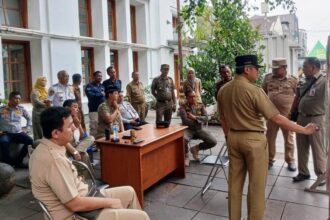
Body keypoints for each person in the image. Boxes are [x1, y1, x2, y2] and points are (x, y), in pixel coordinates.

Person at [218, 54, 319, 220]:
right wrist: (304, 130)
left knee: (234, 187)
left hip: (233, 138)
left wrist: (229, 136)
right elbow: (277, 118)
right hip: (254, 142)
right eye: (256, 69)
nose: (258, 72)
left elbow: (222, 117)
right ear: (247, 69)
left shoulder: (223, 90)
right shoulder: (254, 90)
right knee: (256, 188)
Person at [29, 107, 150, 220]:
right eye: (70, 126)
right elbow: (74, 204)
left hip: (85, 197)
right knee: (141, 216)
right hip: (76, 215)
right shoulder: (54, 161)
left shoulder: (44, 147)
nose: (74, 128)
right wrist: (110, 202)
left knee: (129, 191)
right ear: (55, 133)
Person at [291, 57, 328, 183]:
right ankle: (303, 172)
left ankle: (322, 175)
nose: (303, 69)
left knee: (317, 147)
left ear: (313, 67)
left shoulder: (324, 81)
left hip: (316, 118)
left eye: (305, 66)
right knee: (301, 146)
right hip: (302, 117)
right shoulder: (304, 80)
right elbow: (298, 96)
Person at [262, 58, 298, 171]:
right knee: (269, 138)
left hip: (287, 116)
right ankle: (269, 160)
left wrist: (295, 113)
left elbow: (299, 96)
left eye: (277, 69)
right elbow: (262, 94)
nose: (274, 71)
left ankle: (290, 160)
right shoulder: (267, 78)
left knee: (289, 138)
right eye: (273, 69)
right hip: (271, 116)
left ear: (284, 68)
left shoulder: (293, 80)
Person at [179, 90, 217, 166]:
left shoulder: (201, 105)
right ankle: (186, 156)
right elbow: (185, 121)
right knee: (183, 139)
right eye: (190, 97)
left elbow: (206, 118)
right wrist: (199, 120)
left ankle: (196, 148)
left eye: (194, 96)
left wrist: (195, 117)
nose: (193, 98)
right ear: (187, 97)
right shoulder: (182, 107)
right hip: (188, 129)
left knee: (213, 141)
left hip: (199, 129)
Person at [0, 91, 33, 167]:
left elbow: (29, 118)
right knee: (3, 142)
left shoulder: (21, 109)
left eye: (19, 98)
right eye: (16, 98)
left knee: (30, 141)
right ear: (10, 99)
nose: (18, 100)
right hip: (5, 133)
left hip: (18, 132)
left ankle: (18, 161)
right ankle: (9, 163)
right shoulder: (2, 109)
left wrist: (27, 128)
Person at [63, 99, 95, 172]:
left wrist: (78, 124)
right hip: (68, 147)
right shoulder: (63, 120)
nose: (77, 109)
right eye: (74, 107)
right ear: (67, 108)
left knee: (91, 138)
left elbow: (82, 136)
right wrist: (74, 151)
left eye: (77, 107)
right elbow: (64, 140)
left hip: (77, 146)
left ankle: (87, 178)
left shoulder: (75, 118)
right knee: (85, 154)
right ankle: (84, 176)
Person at [85, 71, 105, 137]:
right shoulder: (89, 86)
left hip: (102, 110)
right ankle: (93, 144)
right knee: (94, 128)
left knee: (102, 127)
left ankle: (100, 143)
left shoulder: (102, 86)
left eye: (101, 76)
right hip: (94, 110)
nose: (100, 77)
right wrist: (100, 94)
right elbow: (91, 96)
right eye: (98, 76)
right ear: (94, 77)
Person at [31, 76, 52, 140]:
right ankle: (38, 146)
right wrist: (46, 105)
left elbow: (50, 99)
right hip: (38, 113)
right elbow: (36, 102)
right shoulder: (35, 91)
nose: (44, 82)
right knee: (39, 131)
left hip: (46, 113)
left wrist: (49, 102)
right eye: (43, 80)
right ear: (39, 81)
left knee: (46, 130)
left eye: (45, 80)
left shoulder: (46, 90)